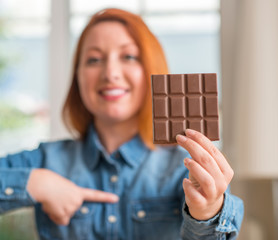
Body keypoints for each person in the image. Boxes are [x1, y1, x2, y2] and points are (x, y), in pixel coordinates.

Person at [0, 8, 244, 240]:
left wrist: (207, 212)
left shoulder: (186, 170)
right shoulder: (46, 161)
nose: (110, 72)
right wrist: (33, 182)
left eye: (128, 56)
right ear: (77, 77)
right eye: (94, 59)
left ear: (151, 70)